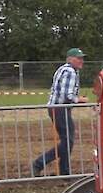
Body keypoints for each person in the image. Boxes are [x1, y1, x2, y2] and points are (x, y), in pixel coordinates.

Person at [32, 47, 89, 176]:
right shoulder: (70, 72)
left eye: (82, 58)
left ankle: (64, 172)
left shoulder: (64, 69)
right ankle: (39, 163)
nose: (81, 61)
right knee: (68, 142)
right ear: (70, 59)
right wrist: (80, 100)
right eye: (78, 58)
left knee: (67, 141)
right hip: (60, 109)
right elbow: (67, 96)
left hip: (57, 109)